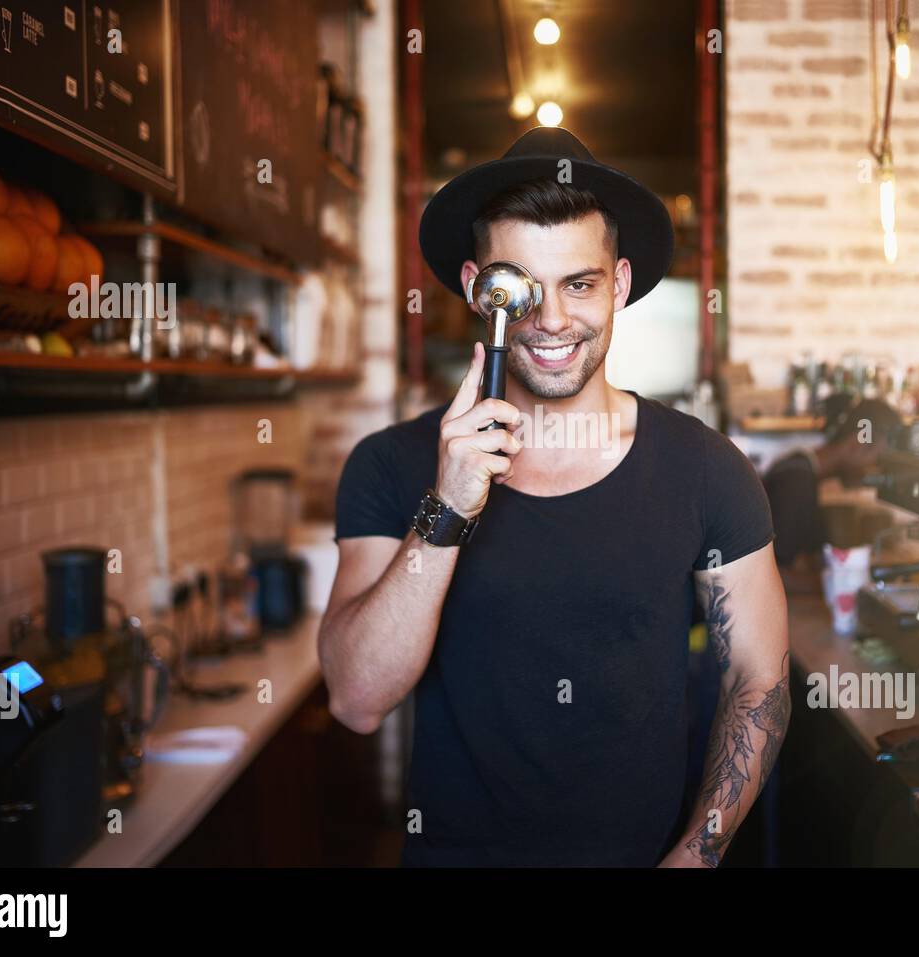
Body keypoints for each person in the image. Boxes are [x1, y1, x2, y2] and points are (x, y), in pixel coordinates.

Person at [318, 127, 790, 867]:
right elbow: (355, 697)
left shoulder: (706, 468)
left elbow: (756, 679)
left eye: (581, 283)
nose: (553, 321)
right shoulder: (393, 465)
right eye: (521, 288)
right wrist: (447, 506)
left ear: (620, 284)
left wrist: (696, 857)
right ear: (480, 287)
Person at [762, 398, 902, 590]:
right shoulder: (796, 482)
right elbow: (772, 575)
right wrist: (845, 585)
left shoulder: (799, 469)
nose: (875, 472)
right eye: (877, 460)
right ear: (856, 444)